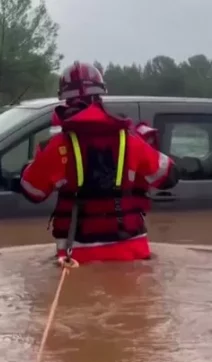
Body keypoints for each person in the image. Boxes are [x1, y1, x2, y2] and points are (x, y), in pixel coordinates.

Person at [19, 61, 179, 265]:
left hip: (77, 257)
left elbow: (32, 192)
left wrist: (31, 166)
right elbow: (169, 177)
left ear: (65, 101)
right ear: (100, 96)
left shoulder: (57, 147)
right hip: (132, 253)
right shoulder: (129, 139)